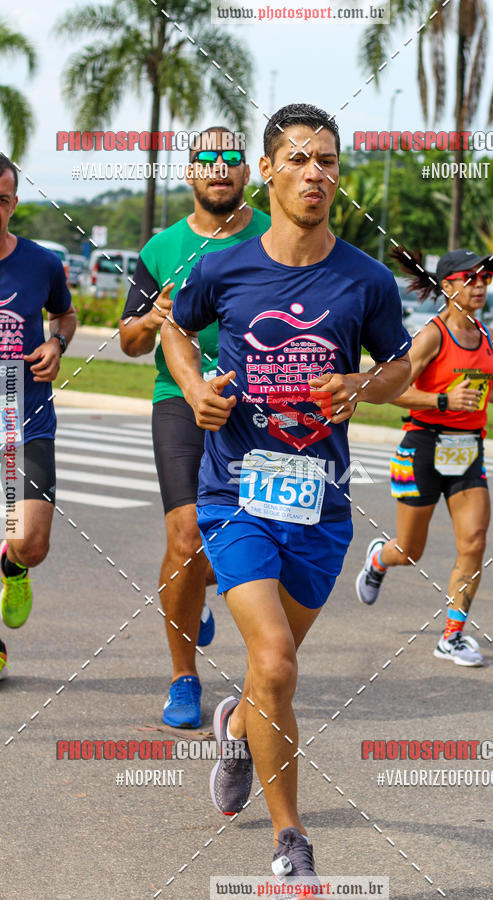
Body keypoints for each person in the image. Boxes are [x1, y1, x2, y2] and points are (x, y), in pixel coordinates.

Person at [161, 102, 412, 886]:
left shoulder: (365, 280)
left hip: (321, 509)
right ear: (266, 170)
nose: (316, 173)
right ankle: (291, 839)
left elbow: (403, 368)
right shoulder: (225, 266)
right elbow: (174, 326)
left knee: (273, 676)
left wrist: (366, 383)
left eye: (329, 160)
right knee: (275, 660)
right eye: (300, 159)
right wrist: (195, 384)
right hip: (235, 494)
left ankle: (237, 725)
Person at [120, 128, 270, 728]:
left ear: (246, 173)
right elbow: (129, 341)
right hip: (179, 402)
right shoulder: (162, 248)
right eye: (206, 160)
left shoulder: (270, 234)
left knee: (234, 540)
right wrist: (154, 316)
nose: (219, 170)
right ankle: (184, 676)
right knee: (186, 537)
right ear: (191, 173)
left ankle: (197, 589)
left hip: (256, 402)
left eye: (231, 159)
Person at [356, 247, 493, 666]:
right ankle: (381, 557)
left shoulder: (483, 333)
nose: (479, 286)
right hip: (423, 444)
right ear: (447, 285)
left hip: (468, 448)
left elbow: (480, 386)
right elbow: (389, 389)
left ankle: (452, 635)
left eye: (485, 279)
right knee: (410, 550)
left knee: (473, 541)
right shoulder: (432, 335)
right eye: (470, 279)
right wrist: (442, 399)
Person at [0, 153, 77, 677]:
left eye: (0, 200)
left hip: (20, 414)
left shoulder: (41, 263)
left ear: (13, 204)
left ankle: (12, 566)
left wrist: (56, 342)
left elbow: (65, 315)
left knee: (31, 541)